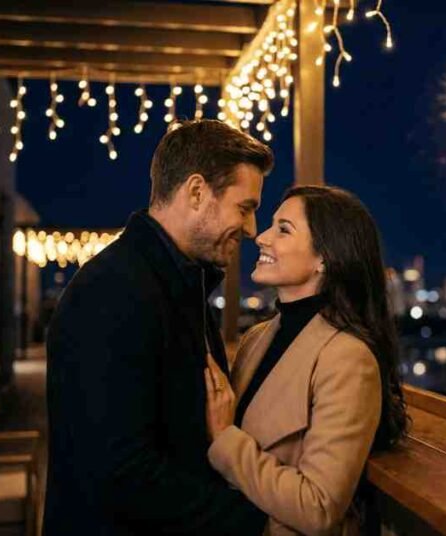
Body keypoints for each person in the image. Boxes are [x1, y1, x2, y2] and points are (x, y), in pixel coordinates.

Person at [43, 120, 274, 535]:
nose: (253, 230)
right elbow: (121, 474)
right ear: (197, 191)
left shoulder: (177, 283)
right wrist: (258, 522)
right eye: (246, 207)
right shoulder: (112, 292)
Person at [204, 185, 410, 535]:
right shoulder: (257, 339)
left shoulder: (348, 358)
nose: (262, 238)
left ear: (324, 258)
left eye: (283, 229)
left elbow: (318, 507)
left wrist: (224, 438)